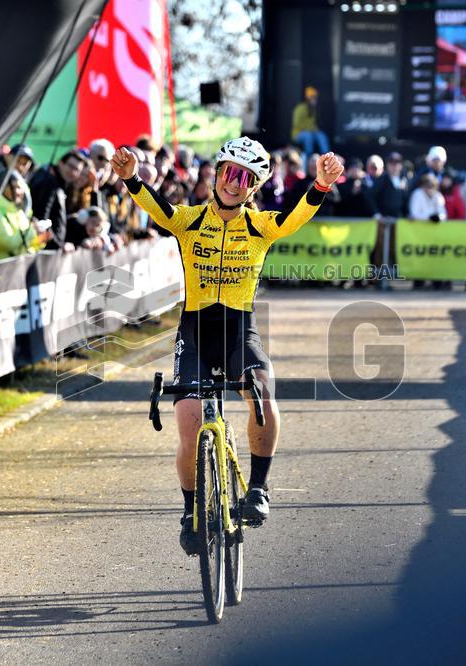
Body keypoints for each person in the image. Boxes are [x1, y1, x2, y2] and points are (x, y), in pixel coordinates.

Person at [111, 137, 343, 555]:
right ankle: (190, 511)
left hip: (240, 331)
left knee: (262, 394)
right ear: (216, 175)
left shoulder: (259, 227)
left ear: (253, 188)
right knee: (188, 423)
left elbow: (294, 217)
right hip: (195, 332)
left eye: (246, 179)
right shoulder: (188, 220)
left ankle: (257, 488)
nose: (235, 184)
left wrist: (321, 185)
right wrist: (130, 178)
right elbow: (157, 208)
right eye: (230, 173)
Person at [0, 171, 49, 262]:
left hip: (13, 269)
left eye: (21, 187)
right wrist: (31, 230)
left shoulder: (18, 212)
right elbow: (6, 244)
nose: (21, 192)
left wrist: (40, 239)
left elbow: (25, 244)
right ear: (4, 187)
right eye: (17, 187)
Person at [291, 86, 330, 159]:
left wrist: (316, 130)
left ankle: (327, 157)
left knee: (321, 135)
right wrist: (309, 129)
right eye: (313, 98)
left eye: (315, 98)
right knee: (308, 136)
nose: (315, 100)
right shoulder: (300, 108)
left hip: (310, 132)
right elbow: (296, 123)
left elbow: (313, 125)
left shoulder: (313, 110)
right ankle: (308, 157)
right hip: (298, 134)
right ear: (308, 99)